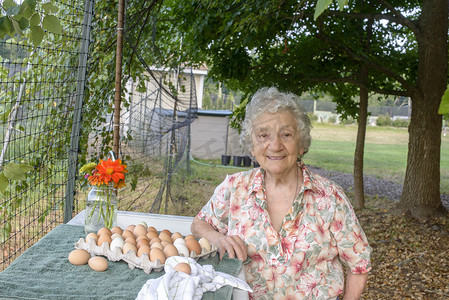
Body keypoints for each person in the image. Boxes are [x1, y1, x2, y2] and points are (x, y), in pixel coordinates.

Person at [191, 87, 372, 299]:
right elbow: (199, 224)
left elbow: (359, 264)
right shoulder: (235, 188)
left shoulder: (330, 196)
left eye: (286, 134)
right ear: (252, 146)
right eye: (263, 135)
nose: (275, 145)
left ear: (301, 143)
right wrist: (217, 238)